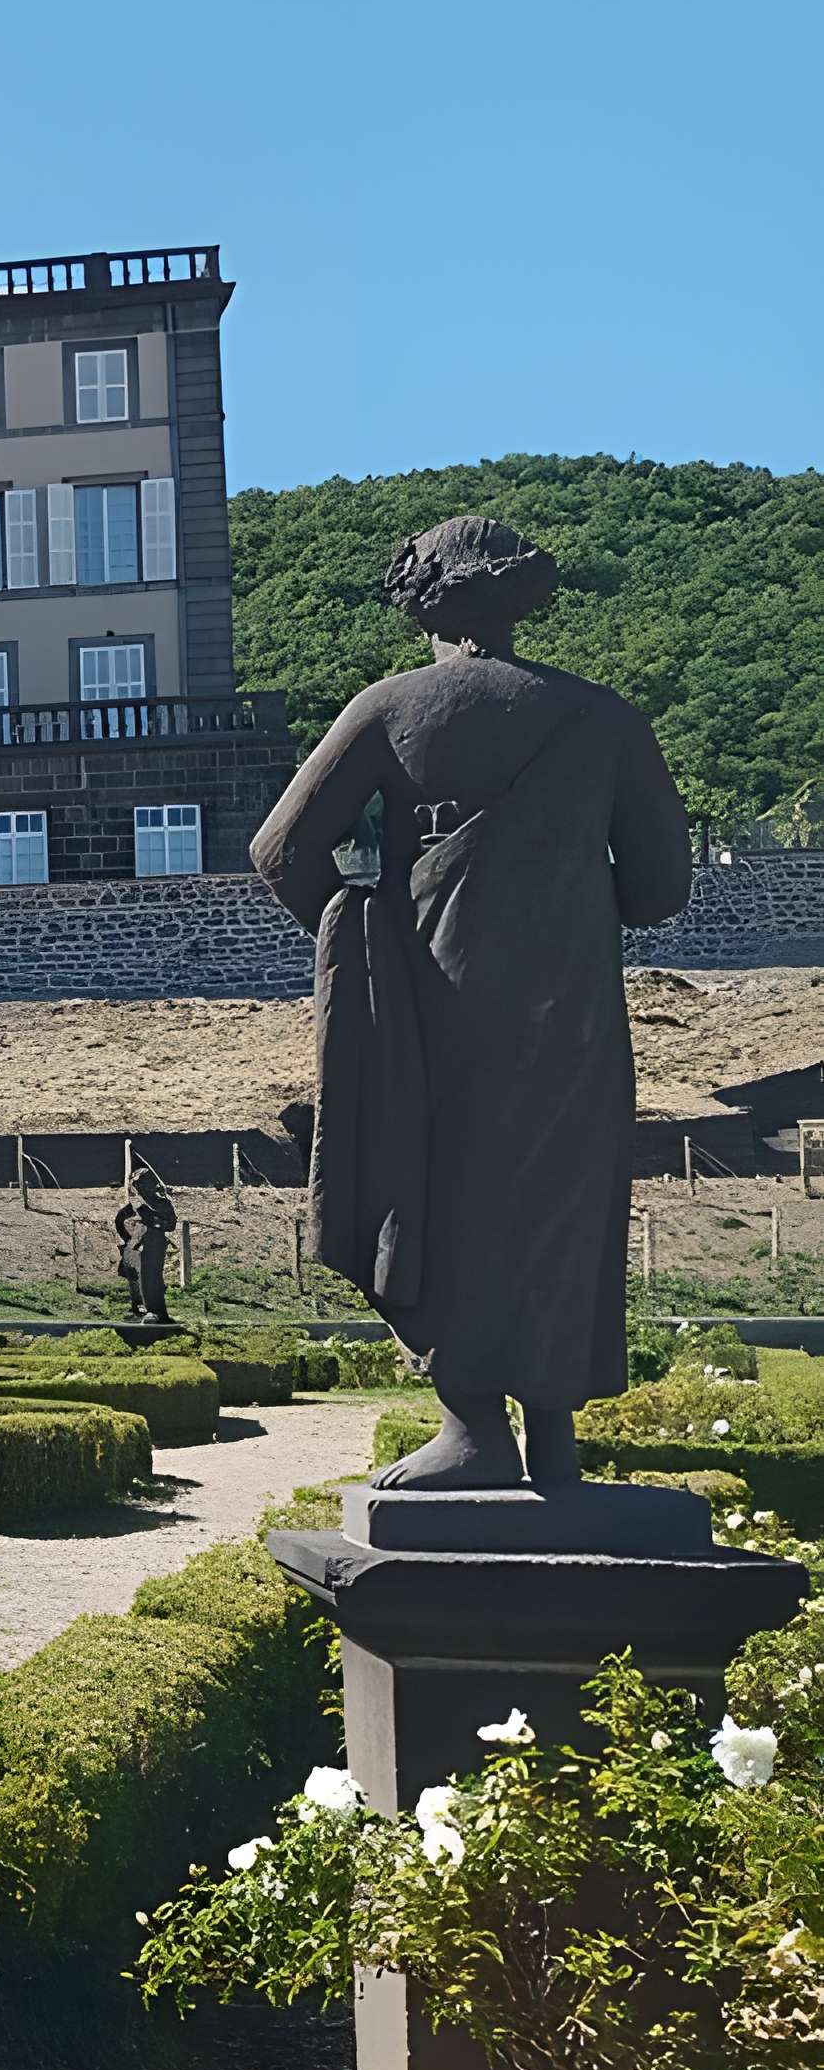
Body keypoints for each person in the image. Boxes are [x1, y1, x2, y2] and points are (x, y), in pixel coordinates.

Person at [249, 516, 693, 1491]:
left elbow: (280, 849)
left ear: (424, 608)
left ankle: (470, 1431)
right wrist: (561, 892)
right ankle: (553, 1445)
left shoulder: (389, 709)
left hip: (430, 1000)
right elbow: (660, 891)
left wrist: (359, 942)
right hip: (571, 1013)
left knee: (440, 1193)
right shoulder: (604, 718)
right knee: (554, 1203)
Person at [115, 1161, 176, 1323]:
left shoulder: (163, 1203)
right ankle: (138, 1309)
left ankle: (155, 1311)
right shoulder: (135, 1204)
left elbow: (171, 1224)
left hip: (154, 1243)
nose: (141, 1188)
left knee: (151, 1277)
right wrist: (127, 1239)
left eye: (143, 1183)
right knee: (134, 1276)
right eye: (137, 1185)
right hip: (135, 1243)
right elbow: (120, 1219)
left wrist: (152, 1220)